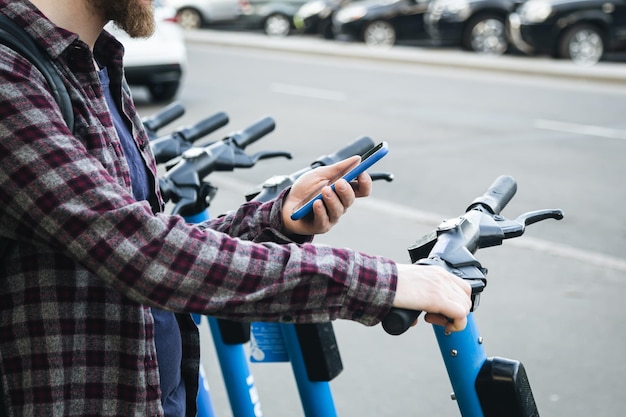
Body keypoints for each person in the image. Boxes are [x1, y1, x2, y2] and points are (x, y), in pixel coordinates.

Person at [0, 1, 472, 416]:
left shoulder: (93, 65)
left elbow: (155, 239)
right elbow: (145, 255)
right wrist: (385, 283)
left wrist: (276, 219)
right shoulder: (10, 78)